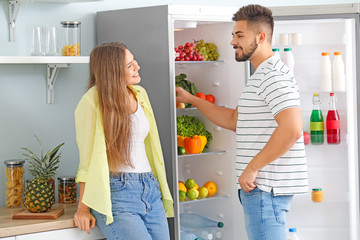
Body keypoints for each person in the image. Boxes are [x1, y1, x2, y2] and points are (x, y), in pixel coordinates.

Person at [176, 4, 308, 240]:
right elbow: (234, 119)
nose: (232, 42)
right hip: (261, 190)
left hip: (265, 189)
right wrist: (192, 99)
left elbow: (292, 129)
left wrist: (252, 167)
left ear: (261, 37)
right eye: (232, 35)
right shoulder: (262, 75)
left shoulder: (273, 76)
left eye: (240, 35)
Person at [73, 42, 174, 240]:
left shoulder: (140, 94)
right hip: (117, 193)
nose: (137, 67)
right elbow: (86, 161)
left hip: (150, 189)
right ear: (112, 71)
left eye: (134, 61)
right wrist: (83, 208)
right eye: (129, 65)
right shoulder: (92, 101)